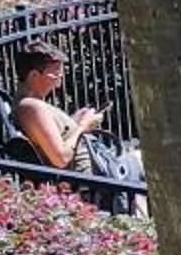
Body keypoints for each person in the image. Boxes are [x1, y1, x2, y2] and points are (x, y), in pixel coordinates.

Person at [12, 44, 141, 181]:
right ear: (34, 75)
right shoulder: (32, 108)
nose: (59, 79)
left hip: (99, 166)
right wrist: (83, 126)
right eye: (55, 73)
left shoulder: (30, 104)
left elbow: (58, 138)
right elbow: (61, 158)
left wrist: (74, 122)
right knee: (148, 159)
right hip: (91, 176)